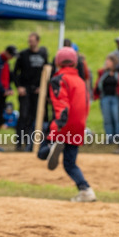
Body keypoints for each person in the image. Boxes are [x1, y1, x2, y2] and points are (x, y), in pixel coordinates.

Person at [37, 47, 96, 202]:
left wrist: (57, 130)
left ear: (58, 62)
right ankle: (86, 190)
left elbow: (62, 105)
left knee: (40, 153)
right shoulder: (81, 81)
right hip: (78, 125)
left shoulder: (58, 79)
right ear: (74, 62)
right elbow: (86, 105)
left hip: (63, 124)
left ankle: (51, 148)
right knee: (70, 164)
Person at [13, 33, 49, 152]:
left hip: (37, 91)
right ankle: (19, 142)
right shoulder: (23, 54)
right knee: (23, 115)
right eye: (29, 41)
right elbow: (15, 73)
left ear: (38, 41)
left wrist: (42, 87)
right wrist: (19, 87)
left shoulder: (43, 54)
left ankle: (32, 142)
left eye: (32, 41)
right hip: (25, 89)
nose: (30, 43)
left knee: (36, 116)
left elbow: (47, 71)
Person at [93, 57, 119, 140]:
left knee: (117, 118)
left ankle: (117, 138)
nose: (107, 63)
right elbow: (98, 84)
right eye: (106, 61)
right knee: (107, 119)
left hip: (116, 98)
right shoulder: (103, 73)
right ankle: (109, 138)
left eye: (109, 61)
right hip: (105, 98)